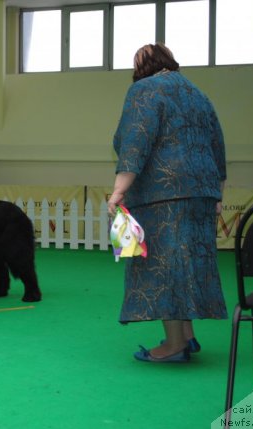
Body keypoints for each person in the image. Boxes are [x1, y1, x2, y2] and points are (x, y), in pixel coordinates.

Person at [107, 43, 228, 363]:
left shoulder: (145, 90)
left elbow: (135, 140)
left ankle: (174, 345)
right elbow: (218, 145)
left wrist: (119, 190)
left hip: (162, 194)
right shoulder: (199, 95)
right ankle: (187, 336)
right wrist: (217, 191)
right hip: (202, 192)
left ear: (144, 64)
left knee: (164, 267)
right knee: (188, 264)